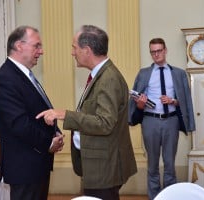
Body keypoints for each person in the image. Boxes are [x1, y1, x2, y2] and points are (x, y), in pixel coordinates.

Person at [36, 25, 137, 200]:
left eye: (74, 47)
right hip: (98, 166)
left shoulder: (108, 79)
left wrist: (65, 115)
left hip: (104, 168)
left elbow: (104, 123)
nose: (72, 53)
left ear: (87, 50)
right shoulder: (101, 75)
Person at [0, 25, 64, 200]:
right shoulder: (5, 79)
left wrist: (56, 133)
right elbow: (19, 124)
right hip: (24, 168)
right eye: (36, 46)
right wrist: (49, 142)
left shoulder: (24, 75)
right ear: (18, 45)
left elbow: (40, 112)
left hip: (37, 165)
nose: (41, 51)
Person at [128, 38, 195, 199]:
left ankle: (170, 197)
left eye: (159, 51)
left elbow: (185, 100)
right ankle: (154, 197)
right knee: (152, 165)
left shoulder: (178, 73)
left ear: (165, 50)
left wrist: (173, 101)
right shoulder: (144, 73)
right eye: (153, 52)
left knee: (170, 164)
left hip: (171, 121)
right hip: (150, 121)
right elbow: (135, 102)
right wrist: (140, 103)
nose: (156, 54)